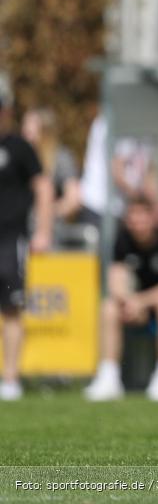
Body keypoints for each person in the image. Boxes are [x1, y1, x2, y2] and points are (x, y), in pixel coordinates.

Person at [83, 196, 158, 402]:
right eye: (132, 219)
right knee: (108, 307)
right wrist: (128, 301)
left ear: (153, 218)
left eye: (142, 218)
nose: (137, 224)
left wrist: (140, 301)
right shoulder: (123, 240)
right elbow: (116, 278)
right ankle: (108, 377)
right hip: (138, 305)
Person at [0, 94, 53, 401]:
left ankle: (10, 379)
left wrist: (43, 230)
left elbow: (43, 187)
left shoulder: (20, 148)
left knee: (11, 308)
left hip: (11, 238)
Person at [21, 108, 81, 223]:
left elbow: (73, 199)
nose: (25, 128)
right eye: (24, 123)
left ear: (45, 128)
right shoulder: (19, 158)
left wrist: (47, 213)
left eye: (31, 123)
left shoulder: (60, 157)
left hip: (49, 231)